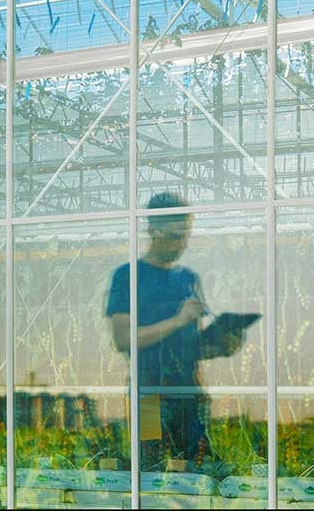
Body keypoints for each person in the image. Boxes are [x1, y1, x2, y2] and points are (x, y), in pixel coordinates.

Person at [105, 191, 245, 469]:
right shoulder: (128, 276)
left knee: (193, 468)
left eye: (186, 234)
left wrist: (221, 345)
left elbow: (190, 347)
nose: (183, 243)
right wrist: (178, 320)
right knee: (149, 468)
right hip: (148, 394)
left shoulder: (188, 279)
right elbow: (123, 339)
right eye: (176, 235)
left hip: (189, 395)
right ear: (154, 231)